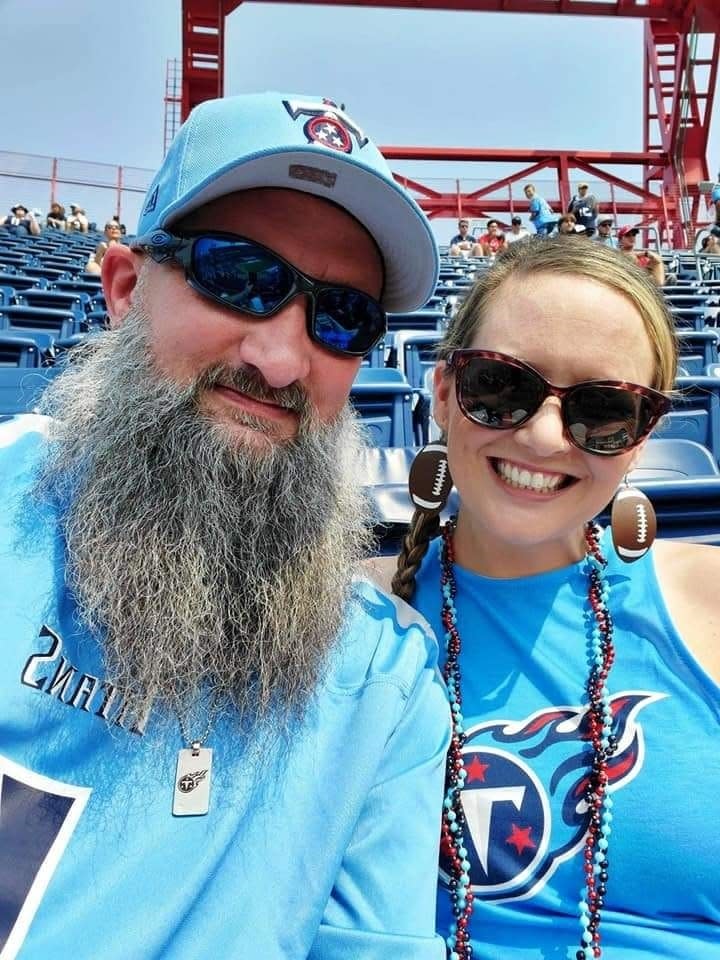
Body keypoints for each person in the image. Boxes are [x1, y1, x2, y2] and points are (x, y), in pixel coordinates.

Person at [0, 91, 450, 958]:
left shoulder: (384, 689)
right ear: (126, 288)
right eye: (238, 277)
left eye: (342, 317)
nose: (280, 358)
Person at [379, 238, 720, 959]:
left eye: (602, 411)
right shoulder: (356, 618)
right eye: (500, 389)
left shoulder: (709, 605)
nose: (541, 436)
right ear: (443, 392)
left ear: (640, 439)